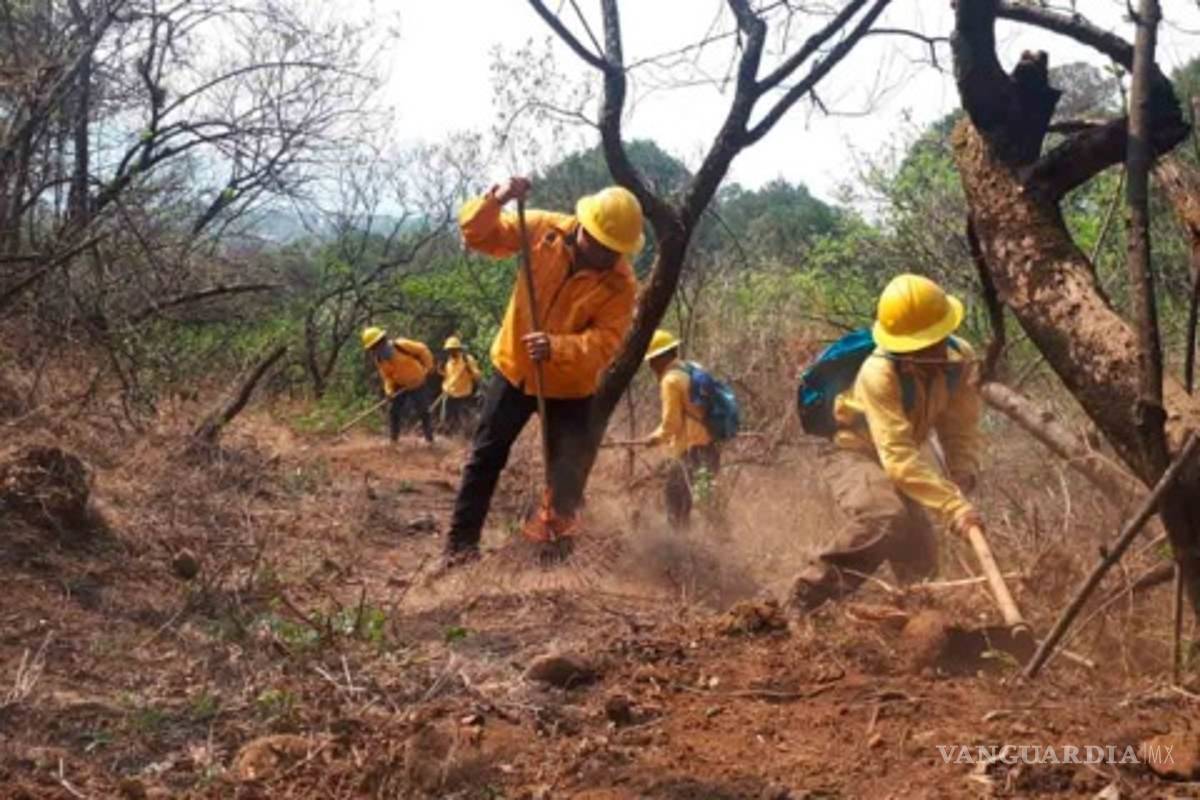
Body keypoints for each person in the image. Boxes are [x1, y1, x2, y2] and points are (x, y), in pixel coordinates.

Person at [441, 176, 642, 568]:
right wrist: (495, 200)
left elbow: (605, 342)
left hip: (569, 389)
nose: (605, 256)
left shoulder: (621, 283)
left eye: (614, 250)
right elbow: (479, 237)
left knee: (566, 476)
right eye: (601, 244)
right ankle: (459, 550)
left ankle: (552, 556)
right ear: (584, 225)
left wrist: (557, 347)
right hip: (514, 372)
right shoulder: (542, 230)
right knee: (485, 459)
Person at [790, 274, 984, 611]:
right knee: (885, 518)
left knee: (919, 552)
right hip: (852, 450)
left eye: (938, 338)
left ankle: (918, 622)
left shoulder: (959, 359)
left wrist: (961, 472)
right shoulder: (878, 374)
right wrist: (953, 507)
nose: (933, 349)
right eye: (921, 344)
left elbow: (960, 428)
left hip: (898, 450)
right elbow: (899, 461)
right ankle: (803, 600)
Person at [640, 329, 721, 530]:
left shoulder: (671, 380)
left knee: (675, 508)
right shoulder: (691, 370)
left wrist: (653, 438)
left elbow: (671, 425)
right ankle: (719, 544)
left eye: (652, 360)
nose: (651, 366)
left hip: (690, 453)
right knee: (705, 505)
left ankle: (682, 554)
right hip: (711, 450)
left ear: (662, 357)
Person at [361, 327, 435, 445]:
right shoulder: (379, 360)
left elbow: (423, 350)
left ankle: (429, 440)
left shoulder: (400, 345)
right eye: (373, 347)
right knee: (394, 412)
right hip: (400, 386)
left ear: (382, 340)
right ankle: (393, 440)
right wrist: (389, 391)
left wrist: (428, 366)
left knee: (423, 411)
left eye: (377, 344)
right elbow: (387, 378)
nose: (376, 349)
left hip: (418, 382)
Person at [438, 336, 482, 436]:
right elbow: (447, 376)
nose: (451, 352)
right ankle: (450, 440)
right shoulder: (448, 361)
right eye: (449, 350)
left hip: (464, 395)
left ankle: (467, 438)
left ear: (458, 349)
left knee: (465, 420)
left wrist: (470, 370)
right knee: (448, 419)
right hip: (449, 395)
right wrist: (440, 370)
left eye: (453, 349)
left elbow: (478, 376)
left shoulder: (467, 360)